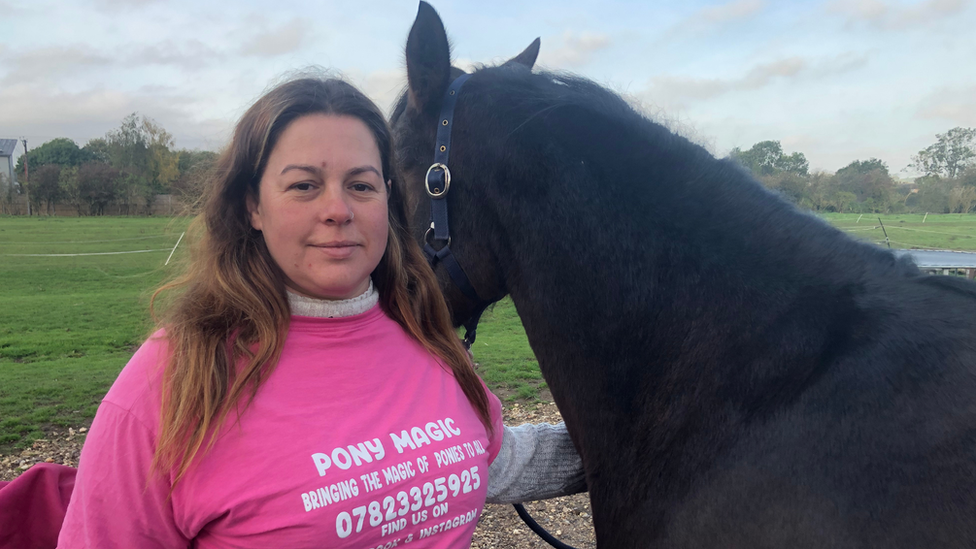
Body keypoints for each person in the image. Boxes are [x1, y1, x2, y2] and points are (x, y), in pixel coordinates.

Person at [56, 77, 584, 548]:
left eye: (361, 185)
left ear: (388, 201)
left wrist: (656, 435)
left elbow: (493, 459)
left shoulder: (425, 332)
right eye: (304, 185)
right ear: (253, 206)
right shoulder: (169, 382)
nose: (338, 209)